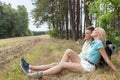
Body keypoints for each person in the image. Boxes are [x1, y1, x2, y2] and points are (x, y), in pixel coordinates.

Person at [20, 27, 117, 79]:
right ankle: (53, 69)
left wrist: (115, 70)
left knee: (61, 64)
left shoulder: (99, 43)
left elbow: (106, 59)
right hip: (83, 61)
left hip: (88, 66)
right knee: (68, 51)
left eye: (95, 30)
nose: (93, 30)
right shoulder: (94, 42)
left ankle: (39, 74)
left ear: (99, 34)